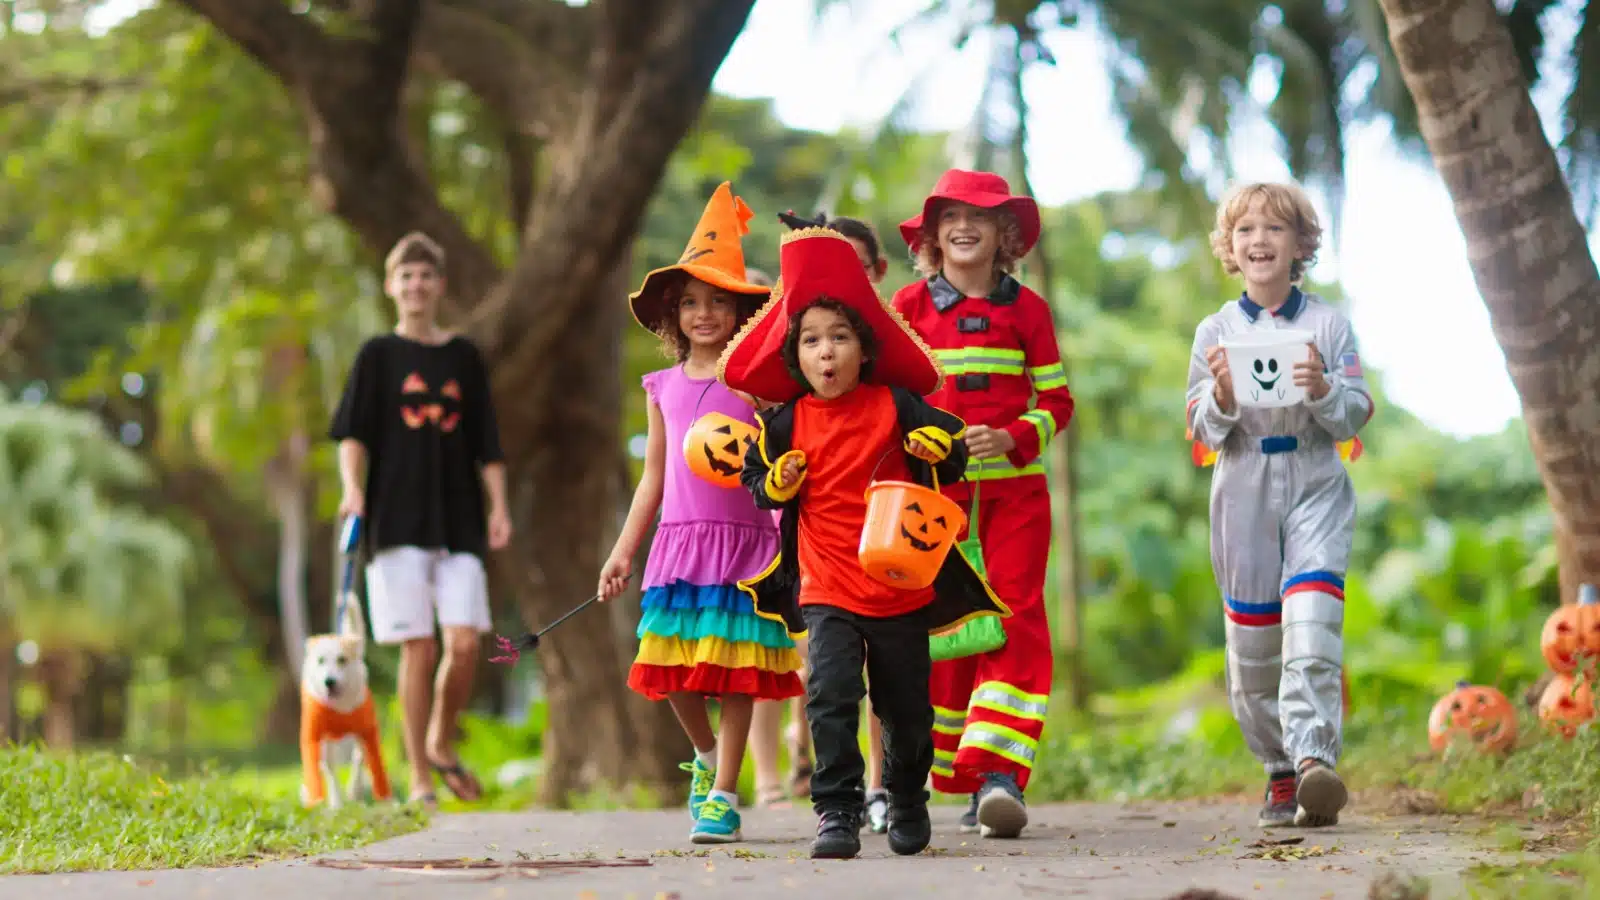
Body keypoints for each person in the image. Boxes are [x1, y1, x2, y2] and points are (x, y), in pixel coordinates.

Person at [719, 225, 1010, 860]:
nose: (826, 353)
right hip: (826, 587)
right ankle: (838, 812)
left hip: (900, 586)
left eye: (840, 338)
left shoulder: (895, 404)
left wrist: (941, 451)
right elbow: (756, 483)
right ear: (795, 357)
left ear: (864, 350)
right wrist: (777, 478)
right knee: (829, 695)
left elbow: (953, 450)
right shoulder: (786, 419)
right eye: (812, 341)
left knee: (906, 710)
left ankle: (907, 798)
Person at [597, 182, 805, 844]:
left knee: (737, 669)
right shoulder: (663, 388)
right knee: (673, 667)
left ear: (741, 309)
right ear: (673, 314)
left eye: (718, 301)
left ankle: (722, 794)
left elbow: (786, 458)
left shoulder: (758, 383)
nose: (704, 313)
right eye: (690, 303)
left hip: (746, 543)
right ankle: (708, 753)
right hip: (680, 547)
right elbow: (652, 479)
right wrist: (623, 551)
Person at [890, 169, 1075, 839]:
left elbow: (1058, 403)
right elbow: (886, 398)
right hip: (933, 499)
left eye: (981, 215)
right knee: (945, 630)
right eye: (950, 216)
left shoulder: (1030, 312)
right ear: (934, 235)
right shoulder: (907, 306)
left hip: (1015, 497)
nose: (964, 224)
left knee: (1016, 615)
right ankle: (959, 777)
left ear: (1006, 236)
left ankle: (1000, 776)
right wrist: (924, 441)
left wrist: (1018, 435)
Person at [1185, 180, 1374, 828]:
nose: (1259, 240)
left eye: (1273, 228)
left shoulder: (1328, 324)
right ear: (1230, 249)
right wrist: (1223, 398)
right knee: (1255, 649)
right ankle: (1279, 768)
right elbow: (1200, 430)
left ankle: (1315, 760)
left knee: (1313, 623)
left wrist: (1323, 388)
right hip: (1242, 486)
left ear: (1300, 245)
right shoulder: (1215, 330)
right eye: (1245, 230)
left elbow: (1354, 416)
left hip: (1316, 477)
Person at [329, 231, 512, 808]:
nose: (416, 285)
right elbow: (352, 435)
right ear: (391, 286)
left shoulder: (463, 356)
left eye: (426, 276)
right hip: (395, 519)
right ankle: (420, 776)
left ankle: (439, 737)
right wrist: (352, 490)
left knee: (463, 642)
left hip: (459, 520)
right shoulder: (377, 356)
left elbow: (487, 440)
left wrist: (499, 506)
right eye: (406, 276)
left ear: (440, 286)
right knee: (418, 648)